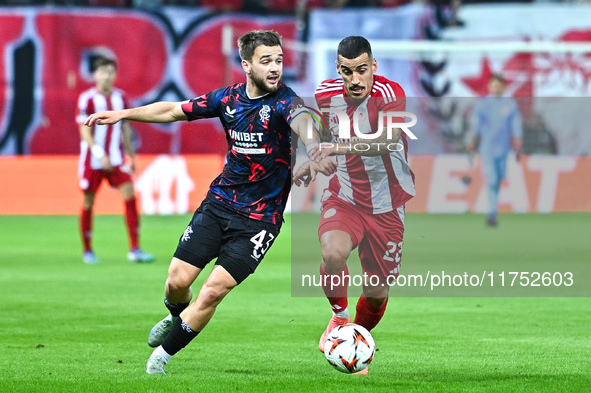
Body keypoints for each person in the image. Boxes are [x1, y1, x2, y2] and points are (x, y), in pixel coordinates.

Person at [84, 30, 327, 375]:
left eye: (279, 60)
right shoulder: (227, 100)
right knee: (177, 281)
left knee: (213, 290)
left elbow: (306, 121)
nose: (275, 68)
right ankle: (174, 316)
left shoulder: (286, 102)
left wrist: (315, 143)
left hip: (260, 221)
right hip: (219, 205)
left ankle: (160, 360)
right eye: (266, 61)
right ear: (246, 65)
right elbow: (172, 110)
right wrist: (124, 113)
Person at [293, 36, 415, 374]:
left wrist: (337, 149)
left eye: (362, 70)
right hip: (344, 196)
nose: (355, 79)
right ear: (338, 70)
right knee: (332, 253)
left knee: (376, 293)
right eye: (347, 72)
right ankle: (339, 321)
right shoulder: (326, 93)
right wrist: (313, 157)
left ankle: (357, 336)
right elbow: (320, 130)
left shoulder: (391, 94)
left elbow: (388, 140)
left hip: (388, 206)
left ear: (374, 66)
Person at [77, 56, 155, 264]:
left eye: (110, 72)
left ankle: (135, 249)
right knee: (88, 202)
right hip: (93, 160)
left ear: (115, 75)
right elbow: (84, 130)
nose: (107, 76)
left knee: (130, 197)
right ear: (95, 75)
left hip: (117, 157)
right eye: (102, 72)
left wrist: (131, 155)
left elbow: (126, 128)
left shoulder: (120, 98)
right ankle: (87, 251)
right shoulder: (88, 99)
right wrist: (98, 153)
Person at [470, 74, 523, 227]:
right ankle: (491, 213)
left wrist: (518, 143)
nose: (496, 88)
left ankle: (493, 210)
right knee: (492, 180)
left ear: (503, 87)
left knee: (499, 179)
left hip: (504, 148)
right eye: (493, 85)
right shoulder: (482, 105)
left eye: (498, 85)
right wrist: (472, 144)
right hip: (487, 148)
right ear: (489, 87)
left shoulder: (510, 105)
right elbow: (476, 126)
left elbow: (516, 125)